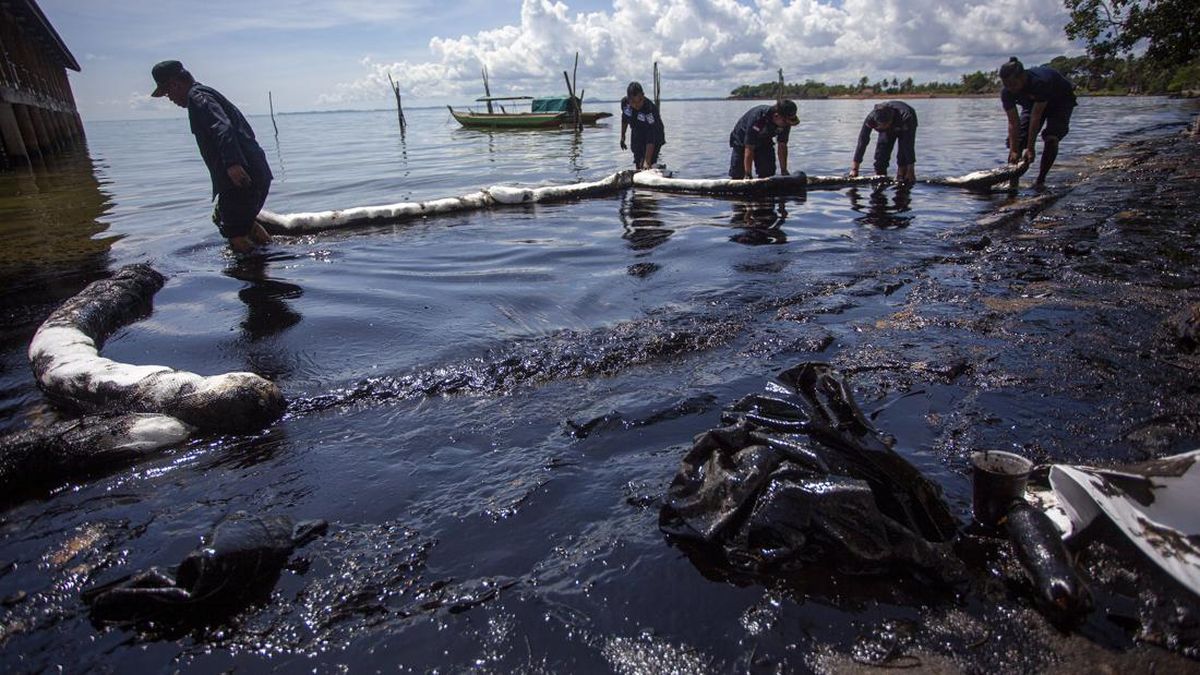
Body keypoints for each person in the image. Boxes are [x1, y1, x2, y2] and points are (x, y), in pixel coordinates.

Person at [150, 60, 274, 253]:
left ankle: (255, 274)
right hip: (255, 172)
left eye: (167, 93)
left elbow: (222, 126)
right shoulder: (205, 94)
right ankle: (270, 251)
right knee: (229, 220)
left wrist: (233, 164)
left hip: (243, 175)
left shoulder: (198, 97)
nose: (170, 99)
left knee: (235, 233)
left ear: (175, 84)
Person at [999, 56, 1078, 186]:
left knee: (1051, 138)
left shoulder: (1039, 82)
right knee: (1017, 143)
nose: (1010, 89)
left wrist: (1030, 148)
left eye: (1013, 84)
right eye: (1007, 85)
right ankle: (1012, 185)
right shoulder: (1007, 92)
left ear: (1023, 77)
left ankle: (1040, 180)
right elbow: (1013, 122)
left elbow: (1036, 116)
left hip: (1061, 101)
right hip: (1032, 104)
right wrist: (1014, 150)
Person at [728, 100, 799, 179]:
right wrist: (748, 174)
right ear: (776, 116)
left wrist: (784, 170)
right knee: (738, 174)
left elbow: (782, 145)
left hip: (764, 141)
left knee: (768, 172)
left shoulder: (786, 122)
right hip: (742, 140)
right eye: (785, 122)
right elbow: (749, 147)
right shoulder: (758, 118)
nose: (787, 125)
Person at [850, 100, 918, 183]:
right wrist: (854, 169)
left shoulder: (906, 116)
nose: (884, 127)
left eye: (886, 124)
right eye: (881, 126)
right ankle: (880, 178)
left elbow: (908, 145)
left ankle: (902, 176)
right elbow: (862, 141)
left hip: (905, 124)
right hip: (888, 126)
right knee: (880, 157)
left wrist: (911, 170)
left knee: (903, 156)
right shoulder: (871, 119)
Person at [619, 81, 666, 170]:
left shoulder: (649, 109)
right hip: (637, 131)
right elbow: (624, 119)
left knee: (649, 162)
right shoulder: (625, 104)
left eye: (640, 100)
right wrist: (623, 136)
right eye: (633, 101)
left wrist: (647, 161)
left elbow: (651, 134)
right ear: (628, 99)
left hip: (655, 132)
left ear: (643, 95)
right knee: (638, 160)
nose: (637, 104)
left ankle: (655, 167)